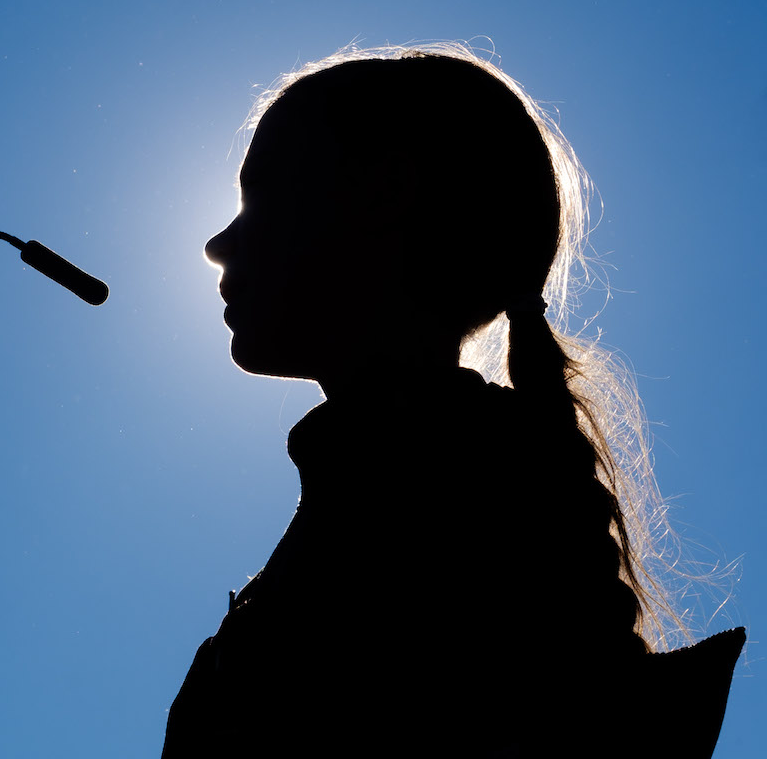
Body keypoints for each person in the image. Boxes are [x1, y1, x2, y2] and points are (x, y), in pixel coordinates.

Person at [162, 43, 744, 758]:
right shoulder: (446, 483)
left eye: (259, 199)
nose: (217, 245)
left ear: (385, 192)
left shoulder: (443, 505)